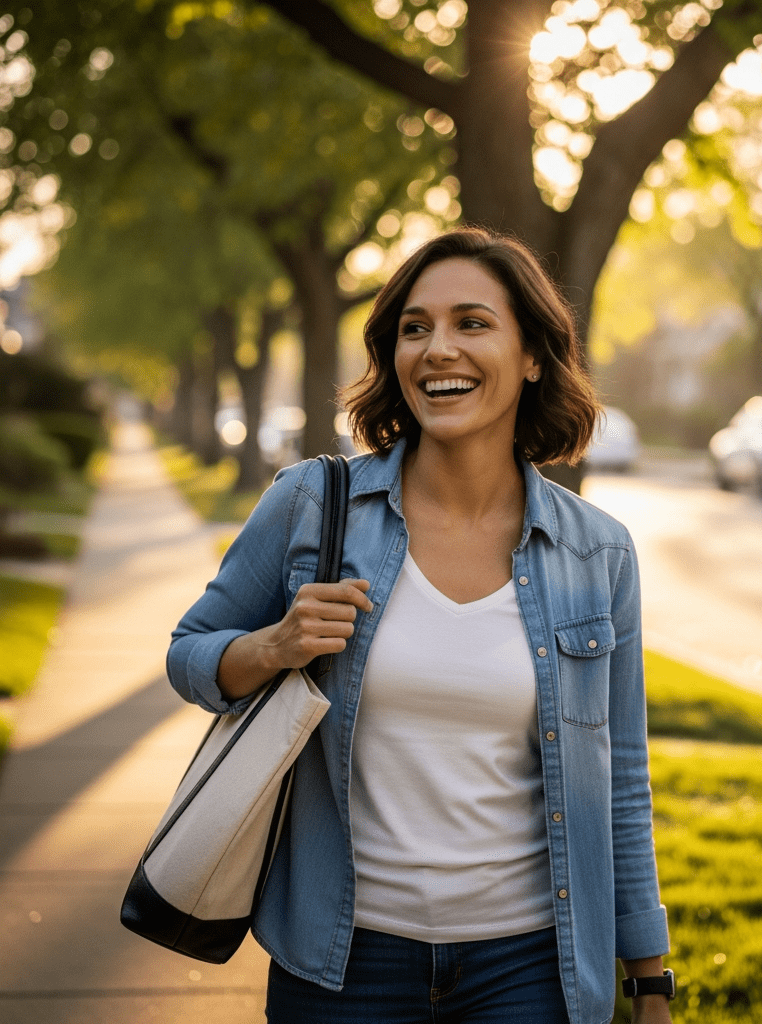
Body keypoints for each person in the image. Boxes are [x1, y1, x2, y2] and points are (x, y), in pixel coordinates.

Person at [167, 227, 674, 1024]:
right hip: (344, 964)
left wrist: (649, 980)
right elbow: (189, 656)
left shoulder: (597, 552)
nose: (439, 349)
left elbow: (622, 780)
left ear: (534, 355)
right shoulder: (313, 504)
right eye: (415, 327)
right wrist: (274, 646)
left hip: (528, 968)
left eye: (473, 323)